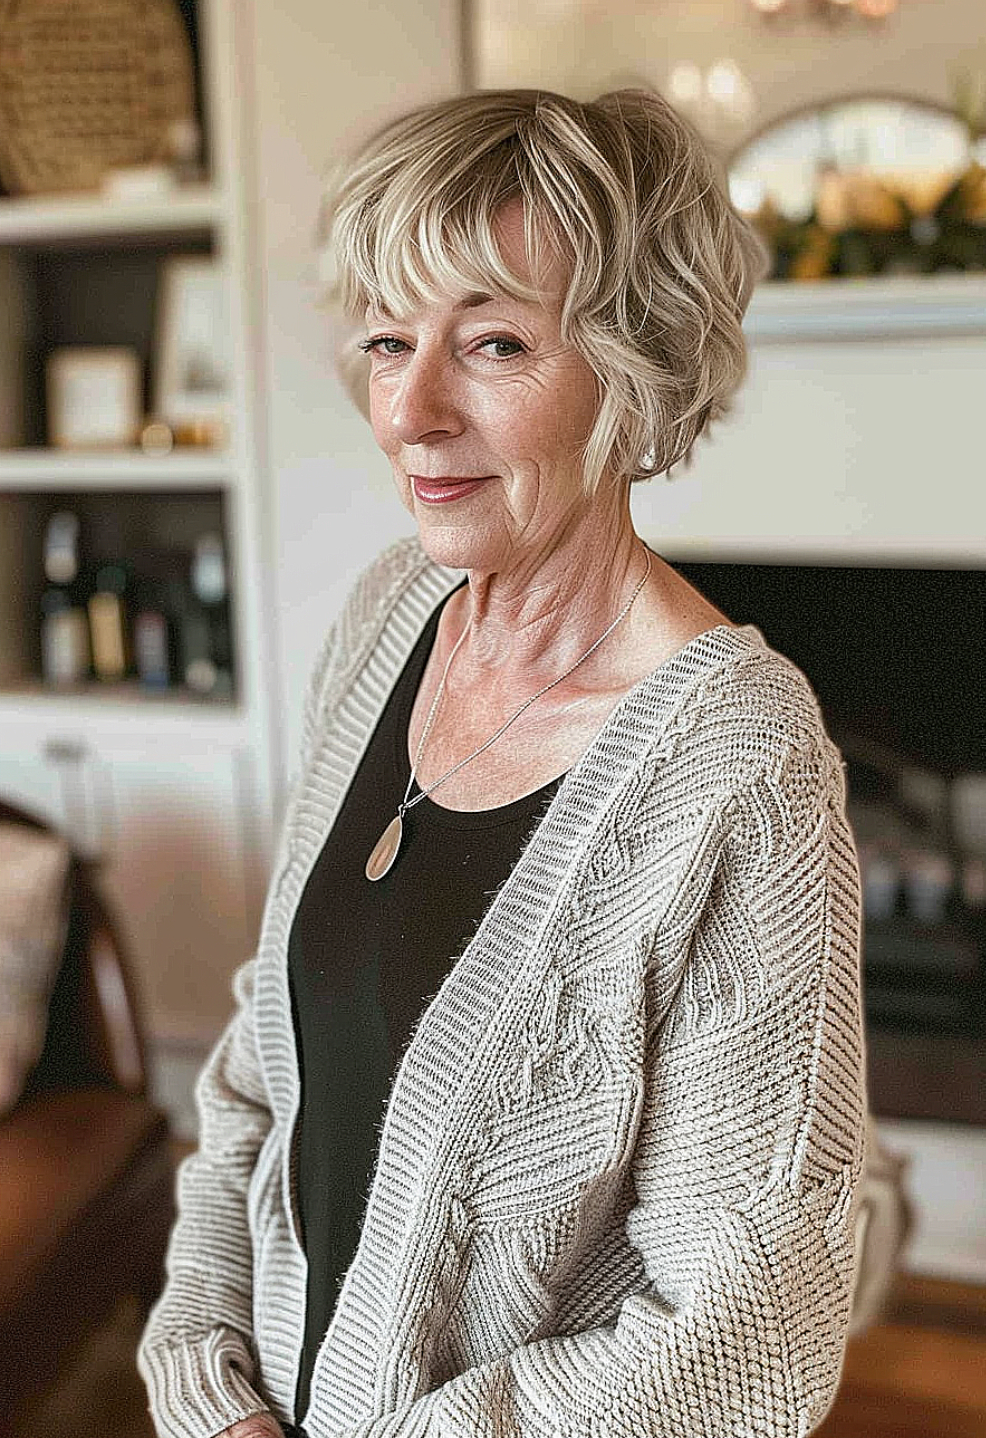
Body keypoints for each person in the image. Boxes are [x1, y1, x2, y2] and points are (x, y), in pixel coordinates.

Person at [139, 87, 879, 1438]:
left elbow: (750, 1335)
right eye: (384, 340)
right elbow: (266, 1061)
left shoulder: (742, 769)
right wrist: (209, 1379)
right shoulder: (386, 621)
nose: (412, 413)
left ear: (632, 367)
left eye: (490, 344)